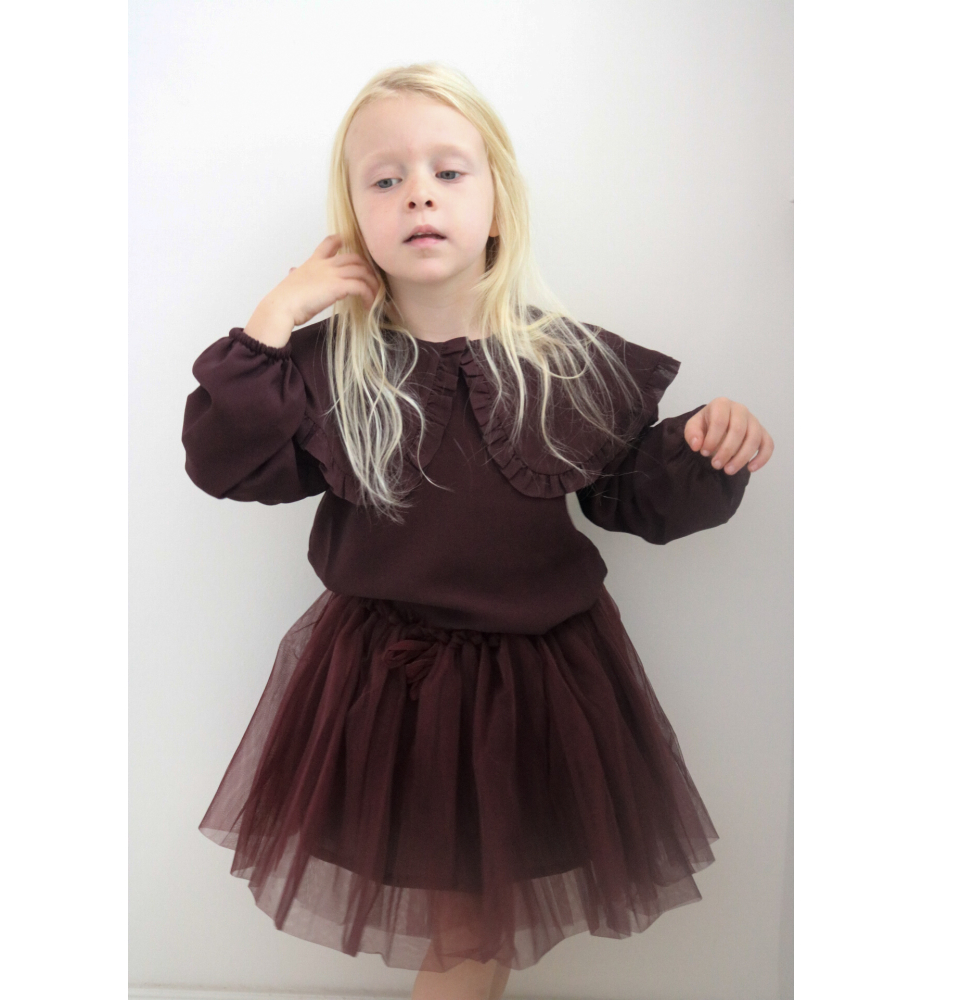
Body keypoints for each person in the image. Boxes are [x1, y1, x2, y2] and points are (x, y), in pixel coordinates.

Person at [182, 63, 774, 1000]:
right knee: (467, 930)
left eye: (449, 171)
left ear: (497, 204)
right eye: (386, 178)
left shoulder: (566, 361)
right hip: (388, 689)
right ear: (355, 220)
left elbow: (632, 498)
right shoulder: (328, 367)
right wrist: (275, 317)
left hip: (533, 688)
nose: (418, 192)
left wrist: (707, 448)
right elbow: (225, 464)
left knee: (474, 929)